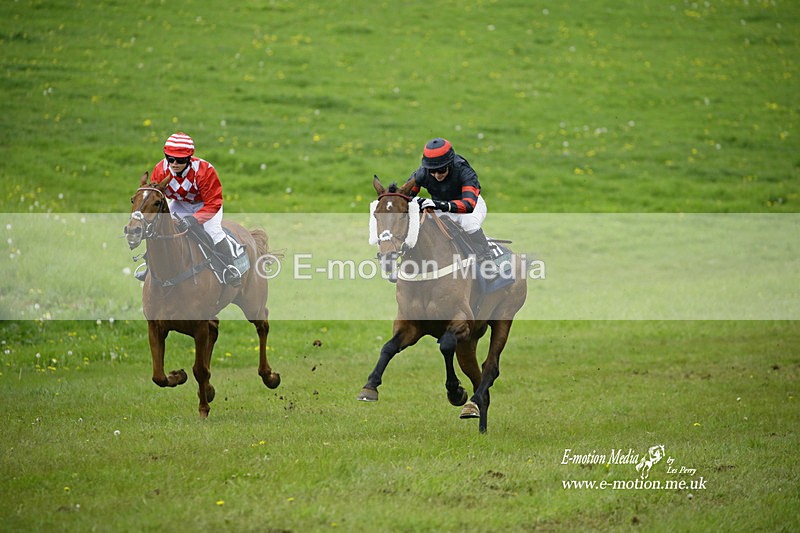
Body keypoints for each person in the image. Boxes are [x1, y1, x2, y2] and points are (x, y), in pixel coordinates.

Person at [136, 132, 242, 286]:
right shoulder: (160, 170)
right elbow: (157, 197)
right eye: (170, 159)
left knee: (213, 231)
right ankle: (148, 266)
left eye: (180, 160)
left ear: (189, 157)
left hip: (206, 206)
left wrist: (194, 219)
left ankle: (230, 268)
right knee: (158, 226)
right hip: (180, 204)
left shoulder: (205, 171)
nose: (174, 163)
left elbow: (214, 203)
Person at [406, 137, 496, 274]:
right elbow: (405, 195)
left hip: (469, 206)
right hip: (440, 207)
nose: (436, 175)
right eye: (432, 171)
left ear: (449, 164)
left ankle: (487, 261)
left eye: (441, 170)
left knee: (469, 224)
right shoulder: (423, 172)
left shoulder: (464, 171)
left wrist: (437, 204)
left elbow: (468, 205)